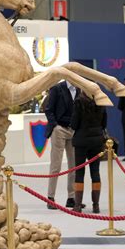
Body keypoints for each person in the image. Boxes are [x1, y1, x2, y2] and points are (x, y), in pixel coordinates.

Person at [44, 80, 79, 209]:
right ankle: (50, 198)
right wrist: (55, 126)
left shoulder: (79, 89)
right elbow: (48, 109)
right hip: (59, 129)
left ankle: (71, 197)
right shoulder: (57, 88)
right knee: (56, 165)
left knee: (74, 166)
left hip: (73, 131)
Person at [70, 91, 107, 213]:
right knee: (95, 172)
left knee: (79, 173)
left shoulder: (79, 102)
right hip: (96, 141)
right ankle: (96, 205)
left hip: (81, 141)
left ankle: (77, 205)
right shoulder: (101, 101)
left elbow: (74, 124)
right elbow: (104, 123)